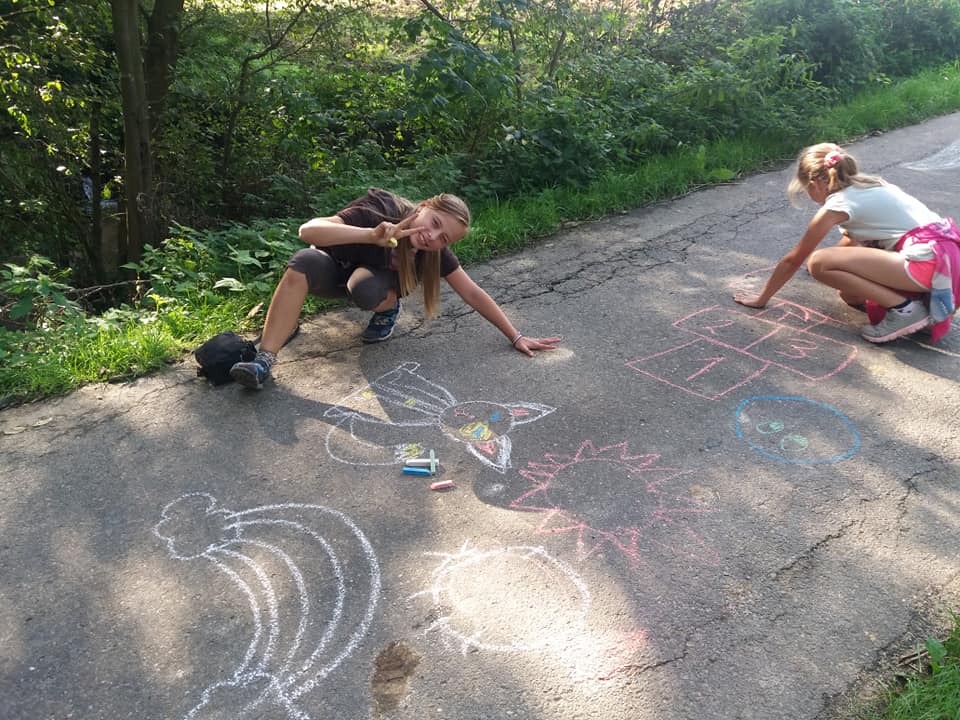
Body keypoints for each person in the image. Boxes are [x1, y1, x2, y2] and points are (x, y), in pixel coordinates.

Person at [229, 188, 562, 388]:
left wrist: (516, 336)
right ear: (423, 207)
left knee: (364, 289)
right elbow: (308, 231)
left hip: (368, 285)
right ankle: (264, 360)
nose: (432, 237)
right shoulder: (380, 208)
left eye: (443, 238)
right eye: (434, 223)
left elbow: (472, 292)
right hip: (331, 271)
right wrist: (370, 235)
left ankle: (387, 308)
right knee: (303, 261)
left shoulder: (433, 254)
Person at [733, 142, 960, 343]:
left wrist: (761, 299)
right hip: (948, 263)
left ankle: (906, 310)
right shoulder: (871, 184)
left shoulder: (838, 204)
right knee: (850, 295)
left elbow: (794, 259)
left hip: (927, 265)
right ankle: (922, 310)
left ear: (814, 183)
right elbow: (852, 240)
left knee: (819, 262)